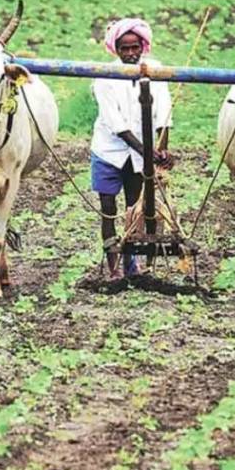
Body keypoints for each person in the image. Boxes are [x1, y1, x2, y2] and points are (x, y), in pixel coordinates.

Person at [90, 18, 174, 279]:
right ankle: (114, 269)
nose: (130, 53)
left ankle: (134, 266)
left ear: (142, 46)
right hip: (108, 152)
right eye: (124, 48)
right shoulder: (104, 77)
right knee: (108, 209)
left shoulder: (156, 71)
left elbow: (164, 114)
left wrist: (162, 149)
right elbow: (115, 122)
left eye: (134, 47)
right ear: (116, 49)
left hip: (140, 155)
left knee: (134, 209)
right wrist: (147, 152)